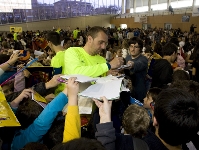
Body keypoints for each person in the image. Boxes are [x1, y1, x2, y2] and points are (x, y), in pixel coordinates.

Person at [125, 37, 148, 101]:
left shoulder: (143, 59)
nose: (132, 49)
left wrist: (132, 64)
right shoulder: (127, 57)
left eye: (136, 47)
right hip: (128, 90)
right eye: (131, 46)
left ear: (140, 48)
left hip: (139, 91)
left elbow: (139, 64)